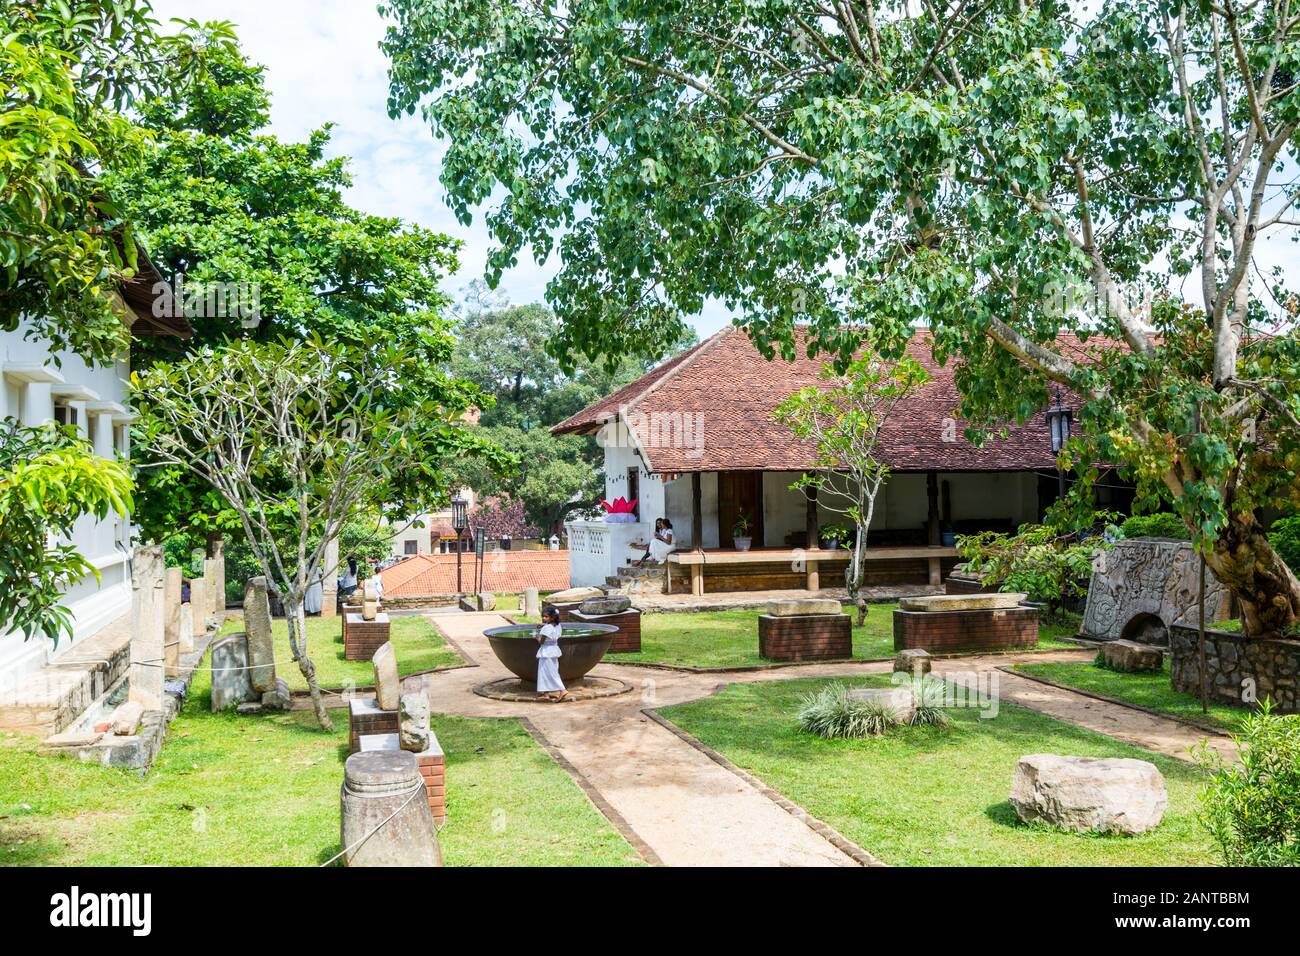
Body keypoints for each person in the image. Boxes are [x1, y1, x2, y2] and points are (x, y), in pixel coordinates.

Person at [534, 607, 567, 701]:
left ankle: (562, 690)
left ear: (552, 617)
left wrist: (537, 634)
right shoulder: (558, 626)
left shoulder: (546, 628)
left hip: (546, 652)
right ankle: (546, 693)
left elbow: (541, 642)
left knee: (549, 673)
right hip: (554, 650)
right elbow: (552, 633)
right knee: (548, 672)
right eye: (543, 616)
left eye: (546, 617)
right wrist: (543, 626)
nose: (543, 618)